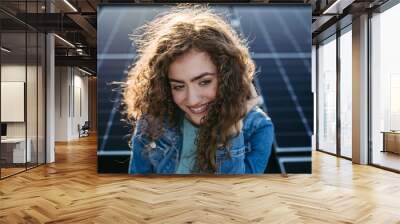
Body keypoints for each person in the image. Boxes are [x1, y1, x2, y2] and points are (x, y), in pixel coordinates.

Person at [124, 4, 274, 174]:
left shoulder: (259, 128)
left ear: (228, 77)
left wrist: (228, 133)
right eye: (178, 86)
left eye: (204, 82)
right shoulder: (152, 120)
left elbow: (235, 194)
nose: (192, 100)